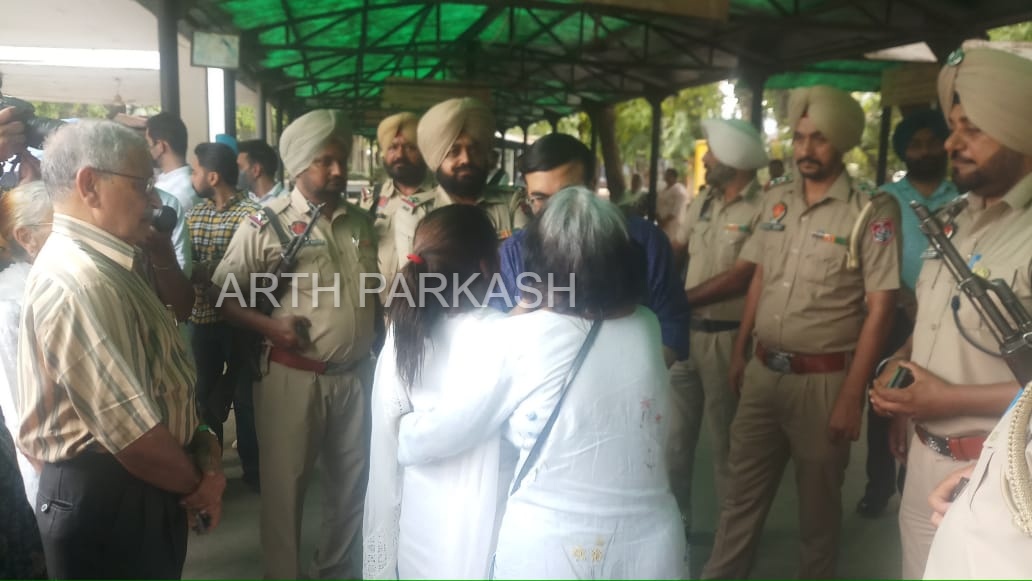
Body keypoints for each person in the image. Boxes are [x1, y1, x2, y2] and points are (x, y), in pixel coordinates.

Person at [397, 186, 685, 579]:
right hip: (651, 548)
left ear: (538, 266)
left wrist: (402, 431)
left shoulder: (520, 336)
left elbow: (444, 434)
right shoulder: (647, 327)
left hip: (553, 550)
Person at [702, 86, 902, 579]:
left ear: (843, 144)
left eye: (819, 140)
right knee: (738, 503)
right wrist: (740, 353)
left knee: (818, 515)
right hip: (763, 371)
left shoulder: (870, 213)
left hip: (824, 381)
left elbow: (881, 308)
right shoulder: (775, 202)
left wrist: (851, 397)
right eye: (800, 138)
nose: (806, 150)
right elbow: (760, 278)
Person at [17, 120, 224, 579]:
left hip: (143, 484)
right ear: (89, 184)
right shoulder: (79, 281)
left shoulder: (117, 263)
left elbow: (162, 376)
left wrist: (200, 445)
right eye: (142, 185)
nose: (153, 201)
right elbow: (132, 435)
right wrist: (200, 486)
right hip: (110, 495)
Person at [870, 45, 1032, 579]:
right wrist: (902, 372)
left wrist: (946, 397)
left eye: (972, 129)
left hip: (1000, 473)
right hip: (923, 458)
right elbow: (935, 322)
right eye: (951, 126)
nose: (950, 143)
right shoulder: (957, 218)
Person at [210, 109, 377, 579]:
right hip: (292, 376)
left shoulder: (360, 223)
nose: (338, 170)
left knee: (351, 489)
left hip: (356, 379)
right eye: (326, 161)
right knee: (285, 493)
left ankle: (336, 572)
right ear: (299, 164)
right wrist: (271, 328)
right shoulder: (266, 225)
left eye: (340, 159)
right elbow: (223, 297)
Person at [364, 204, 508, 579]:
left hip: (418, 536)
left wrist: (379, 566)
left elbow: (384, 457)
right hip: (487, 539)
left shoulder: (402, 333)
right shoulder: (508, 338)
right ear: (488, 266)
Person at [491, 132, 689, 366]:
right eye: (540, 198)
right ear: (528, 196)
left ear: (593, 185)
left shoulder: (644, 241)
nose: (557, 210)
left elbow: (672, 323)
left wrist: (638, 378)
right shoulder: (513, 252)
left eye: (568, 195)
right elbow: (499, 336)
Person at [667, 118, 768, 537]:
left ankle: (733, 542)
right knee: (673, 445)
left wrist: (674, 301)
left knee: (728, 447)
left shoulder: (763, 207)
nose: (705, 158)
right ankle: (676, 527)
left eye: (712, 152)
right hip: (686, 337)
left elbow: (742, 276)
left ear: (734, 160)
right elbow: (676, 249)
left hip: (728, 339)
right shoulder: (702, 202)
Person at [855, 109, 958, 518]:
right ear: (903, 151)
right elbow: (871, 261)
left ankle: (913, 482)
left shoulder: (960, 198)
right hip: (895, 314)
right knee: (885, 403)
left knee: (934, 395)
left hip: (948, 314)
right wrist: (899, 297)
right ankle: (878, 485)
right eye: (915, 144)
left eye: (932, 141)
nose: (925, 150)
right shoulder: (886, 199)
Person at [187, 142, 263, 489]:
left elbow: (256, 267)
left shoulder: (253, 214)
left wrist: (210, 272)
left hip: (241, 321)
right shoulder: (195, 214)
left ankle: (254, 470)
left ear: (212, 176)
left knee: (245, 398)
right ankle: (212, 467)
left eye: (196, 170)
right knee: (204, 396)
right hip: (203, 320)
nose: (193, 176)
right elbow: (188, 262)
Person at [393, 97, 514, 254]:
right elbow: (418, 276)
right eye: (454, 152)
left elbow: (524, 265)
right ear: (437, 159)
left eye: (474, 150)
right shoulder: (415, 212)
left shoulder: (512, 204)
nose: (466, 159)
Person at [0, 181, 52, 503]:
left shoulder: (48, 285)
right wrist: (57, 486)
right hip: (52, 478)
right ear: (25, 236)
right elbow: (21, 416)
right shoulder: (11, 307)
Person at [371, 112, 434, 296]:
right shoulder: (372, 200)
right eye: (393, 147)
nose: (400, 154)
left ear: (423, 152)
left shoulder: (441, 196)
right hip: (382, 307)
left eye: (409, 147)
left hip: (430, 305)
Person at [146, 111, 201, 213]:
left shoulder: (177, 194)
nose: (147, 150)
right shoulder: (184, 180)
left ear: (160, 146)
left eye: (148, 144)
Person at [238, 139, 286, 206]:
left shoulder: (287, 203)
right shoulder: (242, 202)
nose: (234, 172)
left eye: (239, 167)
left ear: (256, 170)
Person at [658, 167, 689, 240]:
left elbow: (676, 209)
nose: (666, 177)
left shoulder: (679, 190)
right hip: (661, 224)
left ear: (674, 177)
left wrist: (665, 221)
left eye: (669, 175)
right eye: (666, 175)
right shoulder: (663, 190)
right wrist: (659, 219)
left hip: (673, 225)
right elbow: (658, 205)